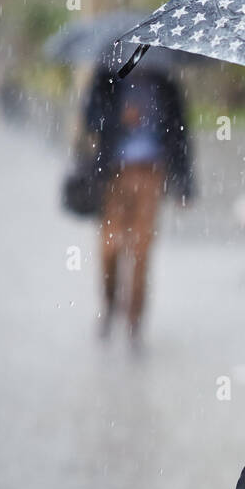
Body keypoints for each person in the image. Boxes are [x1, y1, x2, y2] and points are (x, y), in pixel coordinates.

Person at [82, 59, 194, 348]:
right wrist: (118, 116)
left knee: (142, 248)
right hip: (113, 172)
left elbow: (181, 131)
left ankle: (134, 319)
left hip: (152, 172)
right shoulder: (106, 75)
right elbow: (89, 119)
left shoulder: (165, 81)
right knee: (110, 245)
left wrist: (185, 183)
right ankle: (108, 306)